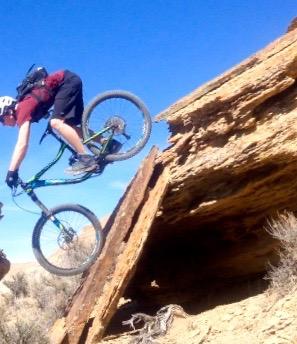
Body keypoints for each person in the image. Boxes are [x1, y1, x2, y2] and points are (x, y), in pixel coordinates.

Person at [0, 69, 118, 189]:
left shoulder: (21, 109)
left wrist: (11, 171)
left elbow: (22, 144)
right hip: (69, 81)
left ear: (7, 111)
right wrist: (15, 171)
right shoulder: (25, 104)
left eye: (1, 120)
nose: (3, 124)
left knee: (55, 123)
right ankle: (108, 143)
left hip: (66, 82)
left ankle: (85, 158)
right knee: (68, 126)